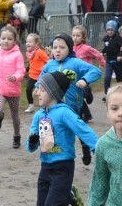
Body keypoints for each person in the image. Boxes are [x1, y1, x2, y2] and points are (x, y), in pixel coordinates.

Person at [26, 72, 99, 206]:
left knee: (53, 204)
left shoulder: (65, 113)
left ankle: (70, 194)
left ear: (52, 92)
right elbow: (30, 147)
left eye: (41, 89)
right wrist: (32, 141)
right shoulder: (38, 116)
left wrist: (98, 148)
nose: (36, 93)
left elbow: (83, 130)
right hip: (46, 165)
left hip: (62, 165)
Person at [41, 33, 102, 165]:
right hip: (54, 105)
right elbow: (42, 77)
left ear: (69, 49)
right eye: (55, 47)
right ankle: (55, 155)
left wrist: (85, 80)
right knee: (57, 129)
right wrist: (37, 87)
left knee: (77, 128)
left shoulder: (76, 63)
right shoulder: (49, 65)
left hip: (72, 105)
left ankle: (86, 146)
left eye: (62, 47)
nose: (57, 50)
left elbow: (96, 71)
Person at [23, 32, 49, 114]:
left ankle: (45, 106)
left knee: (41, 92)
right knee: (28, 90)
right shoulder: (29, 53)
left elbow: (48, 61)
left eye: (30, 42)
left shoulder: (40, 52)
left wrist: (45, 69)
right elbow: (31, 63)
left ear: (36, 43)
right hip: (32, 75)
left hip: (41, 76)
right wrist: (26, 71)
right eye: (27, 41)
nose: (27, 43)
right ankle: (31, 106)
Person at [101, 20, 122, 96]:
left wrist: (120, 55)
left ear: (115, 30)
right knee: (107, 78)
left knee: (120, 79)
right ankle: (107, 94)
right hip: (109, 61)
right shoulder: (105, 38)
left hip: (117, 62)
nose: (110, 32)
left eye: (112, 30)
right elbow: (106, 47)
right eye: (108, 30)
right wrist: (102, 53)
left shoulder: (118, 38)